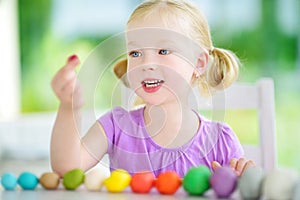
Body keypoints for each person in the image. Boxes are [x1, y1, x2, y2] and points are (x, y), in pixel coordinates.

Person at [50, 0, 255, 178]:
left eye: (163, 50)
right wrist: (69, 107)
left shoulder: (220, 141)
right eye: (135, 53)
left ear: (199, 64)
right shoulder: (116, 127)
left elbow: (242, 190)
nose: (146, 63)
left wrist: (239, 182)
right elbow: (67, 169)